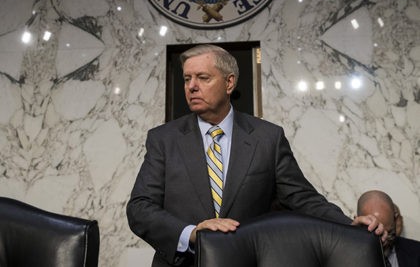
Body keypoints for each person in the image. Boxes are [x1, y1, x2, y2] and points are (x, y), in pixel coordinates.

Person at [127, 44, 386, 267]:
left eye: (203, 77)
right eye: (187, 79)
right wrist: (192, 233)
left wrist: (349, 225)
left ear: (229, 83)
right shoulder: (163, 139)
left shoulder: (267, 138)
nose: (192, 86)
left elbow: (303, 198)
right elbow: (140, 208)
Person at [357, 190, 420, 267]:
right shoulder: (343, 253)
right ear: (358, 222)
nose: (384, 240)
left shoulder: (417, 252)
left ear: (395, 221)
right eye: (377, 234)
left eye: (390, 233)